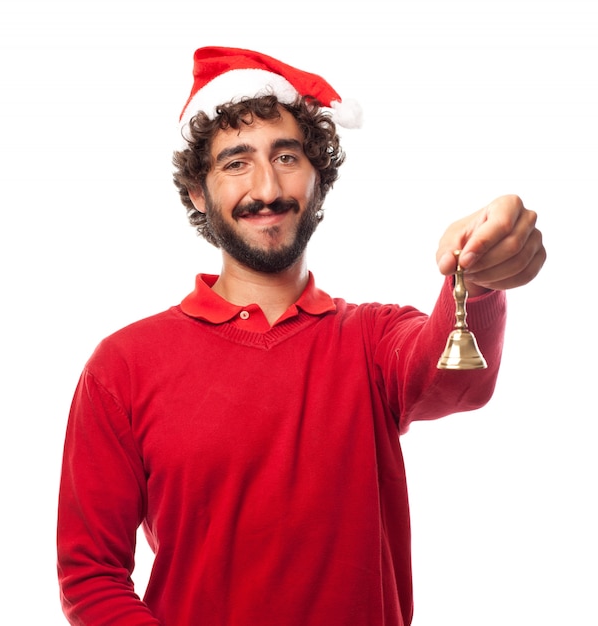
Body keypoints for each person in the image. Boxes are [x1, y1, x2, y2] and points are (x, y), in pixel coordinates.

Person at [56, 46, 546, 625]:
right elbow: (90, 574)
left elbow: (458, 381)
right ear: (198, 193)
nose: (267, 188)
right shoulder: (123, 365)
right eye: (236, 163)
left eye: (286, 157)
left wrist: (479, 278)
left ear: (318, 178)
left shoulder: (372, 338)